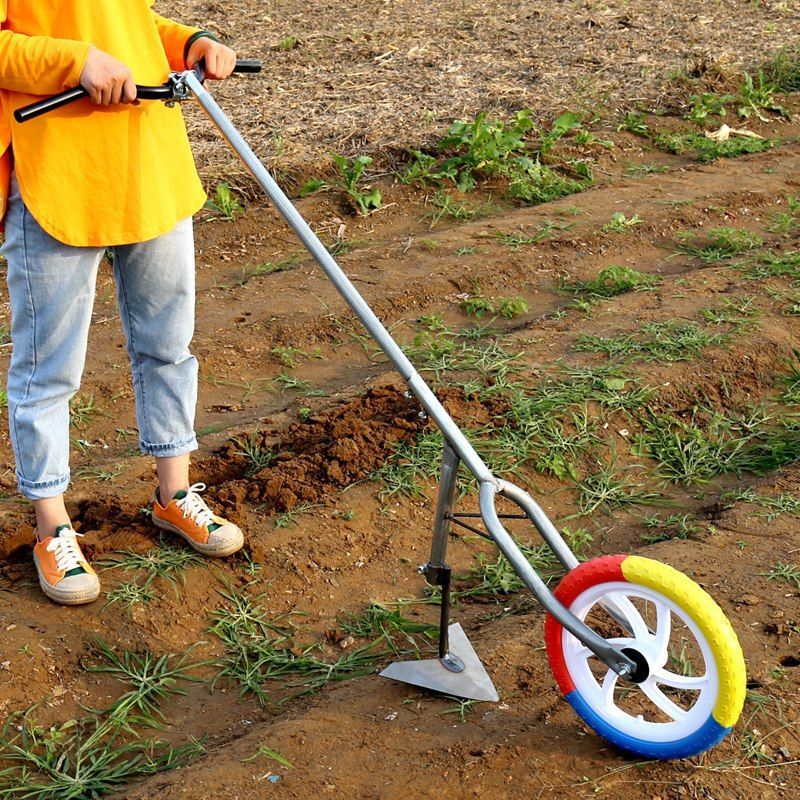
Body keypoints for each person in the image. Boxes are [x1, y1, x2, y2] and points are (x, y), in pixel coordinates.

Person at [0, 1, 245, 606]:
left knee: (168, 343)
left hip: (147, 163)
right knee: (47, 368)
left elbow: (128, 26)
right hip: (57, 171)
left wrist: (189, 42)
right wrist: (75, 61)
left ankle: (174, 495)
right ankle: (51, 527)